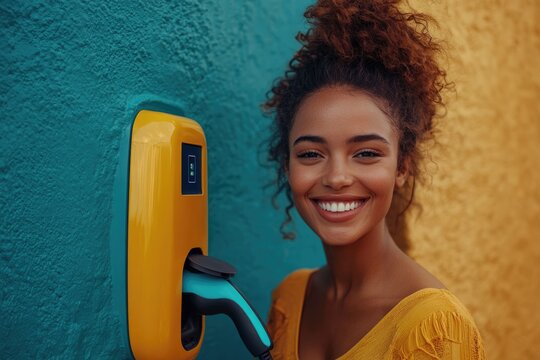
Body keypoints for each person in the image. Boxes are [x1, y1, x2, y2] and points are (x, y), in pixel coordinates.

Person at [263, 0, 487, 359]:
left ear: (402, 167)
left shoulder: (432, 328)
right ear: (287, 164)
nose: (336, 177)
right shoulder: (289, 300)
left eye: (366, 153)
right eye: (310, 154)